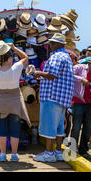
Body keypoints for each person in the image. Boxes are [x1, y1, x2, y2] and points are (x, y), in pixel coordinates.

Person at [33, 33, 74, 163]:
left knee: (49, 126)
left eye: (52, 43)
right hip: (61, 98)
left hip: (52, 96)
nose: (49, 45)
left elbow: (52, 74)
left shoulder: (56, 56)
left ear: (58, 44)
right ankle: (57, 152)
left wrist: (38, 73)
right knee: (58, 127)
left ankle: (49, 153)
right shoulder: (66, 56)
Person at [0, 41, 30, 162]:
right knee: (14, 129)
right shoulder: (16, 68)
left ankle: (2, 154)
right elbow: (25, 57)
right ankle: (14, 154)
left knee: (2, 129)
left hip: (1, 101)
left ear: (0, 58)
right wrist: (14, 48)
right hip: (15, 102)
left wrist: (0, 54)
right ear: (10, 58)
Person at [70, 50, 91, 161]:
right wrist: (81, 79)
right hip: (77, 102)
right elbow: (69, 76)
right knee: (76, 128)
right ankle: (71, 151)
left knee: (89, 128)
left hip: (90, 103)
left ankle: (83, 150)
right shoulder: (79, 68)